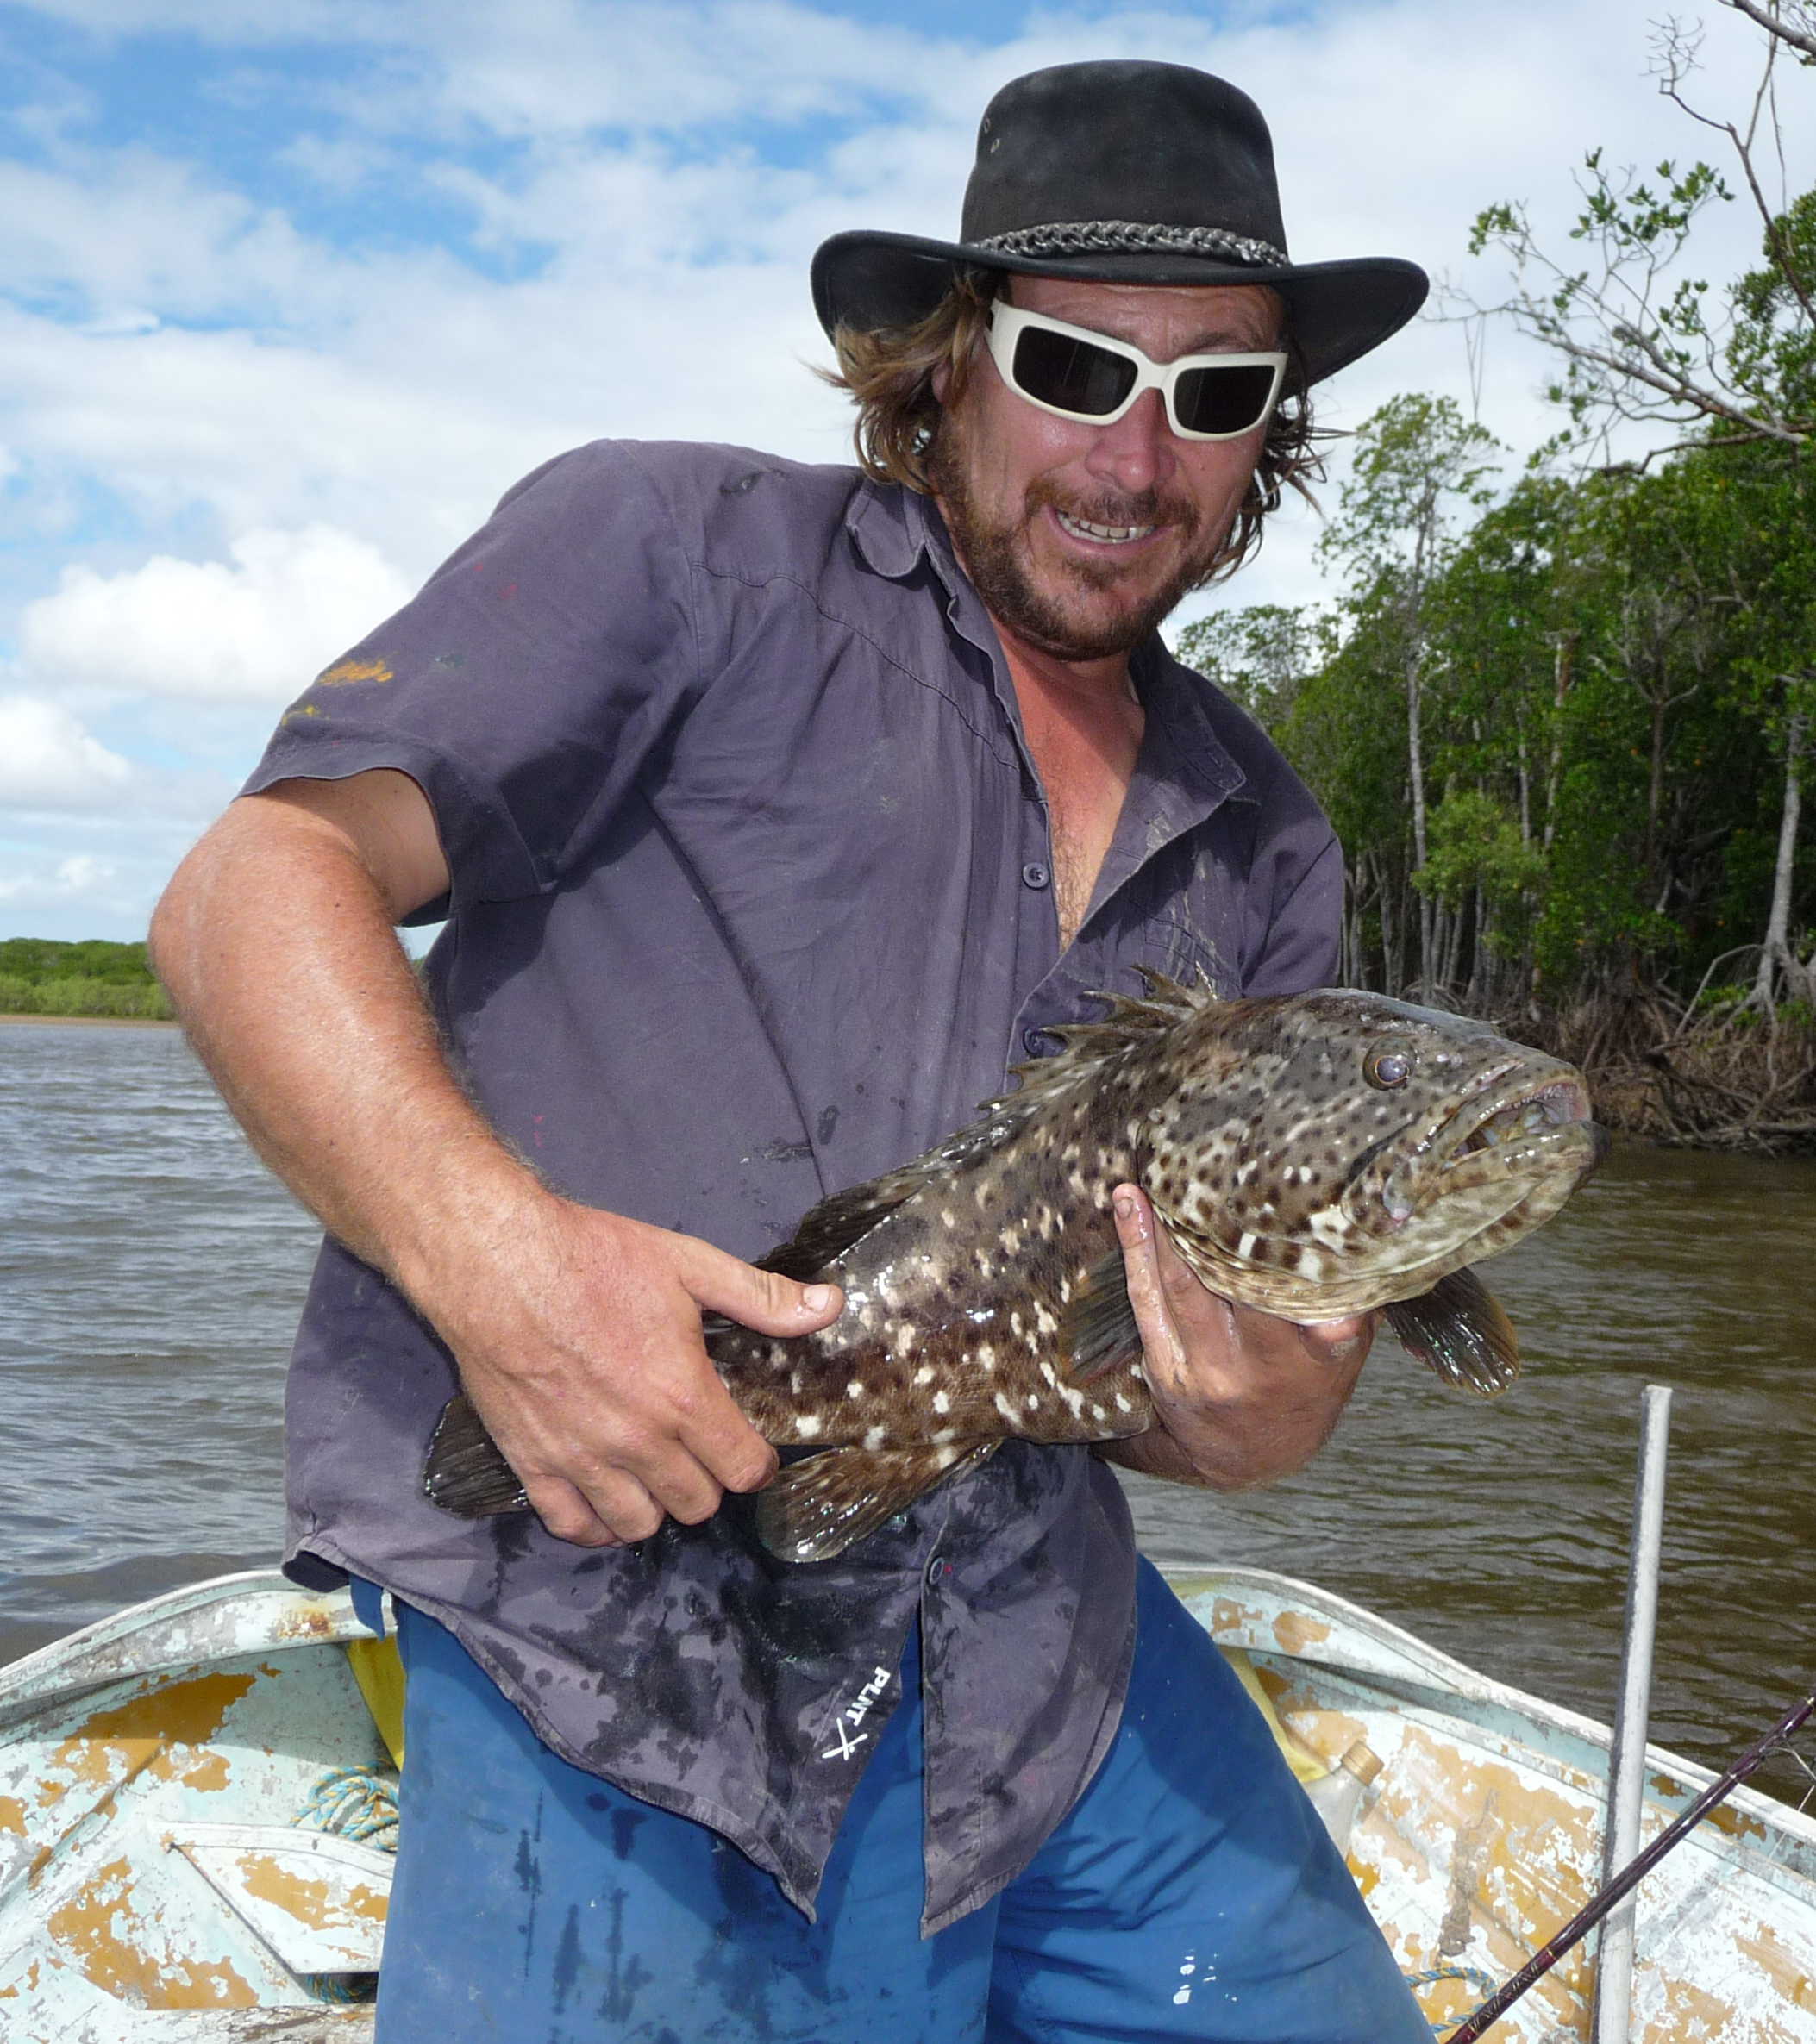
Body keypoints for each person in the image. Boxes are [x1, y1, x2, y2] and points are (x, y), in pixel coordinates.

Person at [152, 59, 1433, 2044]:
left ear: (1269, 438)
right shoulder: (671, 552)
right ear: (944, 366)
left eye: (1216, 392)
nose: (1138, 452)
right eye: (1079, 366)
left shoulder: (1261, 833)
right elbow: (250, 895)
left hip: (1036, 1637)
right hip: (604, 1623)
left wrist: (1257, 1423)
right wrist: (502, 1264)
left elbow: (1200, 1406)